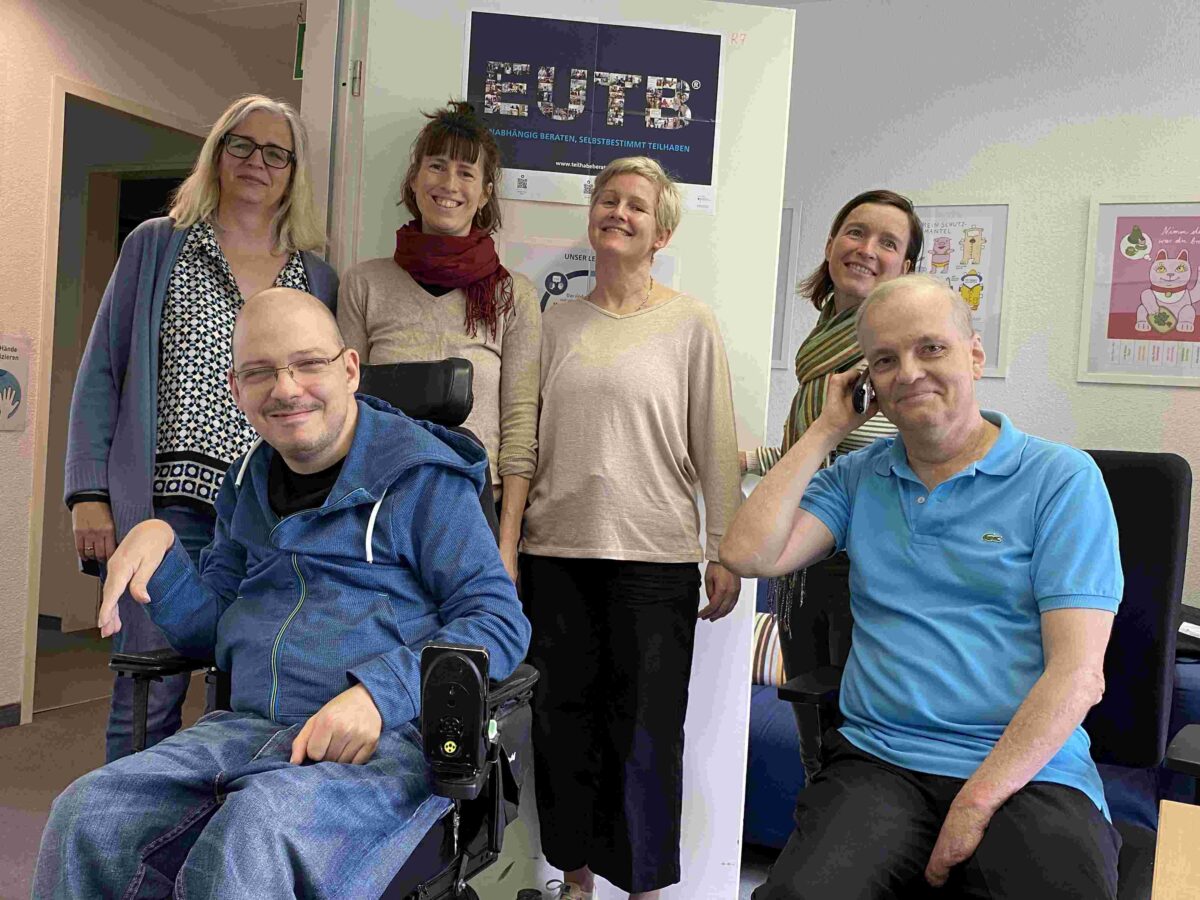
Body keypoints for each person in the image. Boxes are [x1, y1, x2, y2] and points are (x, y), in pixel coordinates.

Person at [35, 288, 530, 899]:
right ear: (236, 389)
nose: (287, 388)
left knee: (250, 835)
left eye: (308, 364)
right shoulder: (246, 481)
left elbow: (497, 619)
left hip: (381, 748)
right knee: (85, 815)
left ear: (350, 369)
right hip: (244, 730)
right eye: (260, 372)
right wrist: (162, 554)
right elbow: (214, 630)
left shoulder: (425, 478)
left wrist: (380, 696)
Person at [721, 274, 1122, 899]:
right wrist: (825, 430)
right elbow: (748, 554)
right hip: (880, 761)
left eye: (930, 348)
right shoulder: (858, 477)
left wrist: (974, 805)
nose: (907, 373)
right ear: (867, 384)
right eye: (885, 360)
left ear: (975, 355)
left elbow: (1078, 674)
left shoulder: (1061, 480)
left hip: (1028, 770)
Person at [64, 94, 338, 761]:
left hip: (268, 519)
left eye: (277, 152)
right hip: (167, 513)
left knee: (250, 690)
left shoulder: (319, 278)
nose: (257, 162)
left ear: (294, 171)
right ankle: (122, 840)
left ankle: (207, 837)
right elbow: (103, 370)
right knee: (150, 691)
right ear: (217, 152)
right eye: (241, 144)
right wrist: (88, 494)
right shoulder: (157, 247)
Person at [519, 157, 742, 900]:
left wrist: (724, 550)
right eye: (607, 200)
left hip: (655, 559)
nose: (618, 212)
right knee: (562, 729)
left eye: (636, 206)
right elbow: (527, 436)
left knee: (644, 737)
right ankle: (576, 882)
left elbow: (714, 441)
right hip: (555, 555)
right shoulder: (556, 321)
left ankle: (643, 890)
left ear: (662, 230)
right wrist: (509, 546)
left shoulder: (689, 323)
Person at [740, 190, 923, 782]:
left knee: (847, 738)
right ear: (830, 243)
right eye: (855, 232)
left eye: (887, 243)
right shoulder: (829, 335)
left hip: (859, 562)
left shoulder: (889, 353)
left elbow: (868, 459)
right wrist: (747, 457)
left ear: (907, 269)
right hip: (810, 561)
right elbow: (818, 444)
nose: (866, 250)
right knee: (815, 732)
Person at [338, 101, 539, 582]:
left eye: (466, 172)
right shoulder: (363, 284)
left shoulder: (513, 295)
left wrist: (506, 545)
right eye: (437, 166)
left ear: (485, 191)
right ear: (414, 179)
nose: (449, 185)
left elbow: (518, 427)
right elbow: (340, 407)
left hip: (475, 511)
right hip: (380, 507)